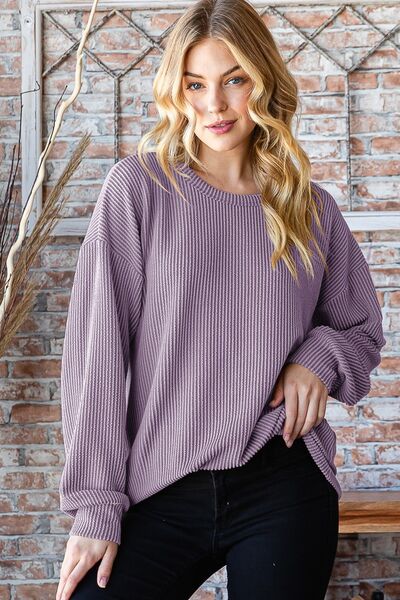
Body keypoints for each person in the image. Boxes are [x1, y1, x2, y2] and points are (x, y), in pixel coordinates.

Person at [56, 1, 386, 599]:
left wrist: (317, 357)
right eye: (195, 84)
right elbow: (95, 356)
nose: (214, 104)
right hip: (159, 485)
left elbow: (361, 328)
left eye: (234, 80)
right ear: (176, 90)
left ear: (263, 82)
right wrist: (96, 504)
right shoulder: (138, 190)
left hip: (281, 479)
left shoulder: (308, 208)